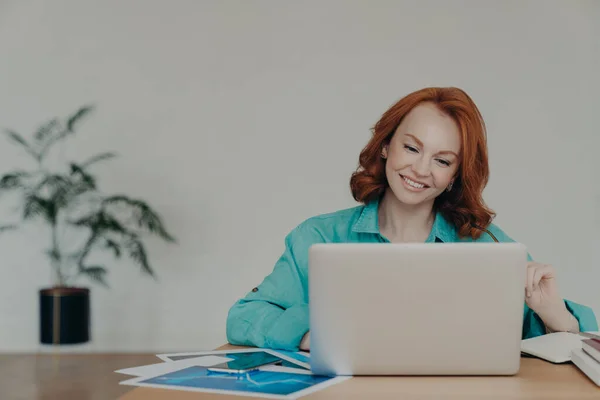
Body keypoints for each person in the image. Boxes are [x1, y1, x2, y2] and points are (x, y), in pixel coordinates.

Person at [225, 87, 598, 351]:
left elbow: (552, 343)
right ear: (386, 145)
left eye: (442, 160)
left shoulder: (487, 245)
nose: (420, 169)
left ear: (455, 174)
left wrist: (557, 317)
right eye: (411, 147)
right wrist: (308, 333)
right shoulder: (318, 236)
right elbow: (244, 317)